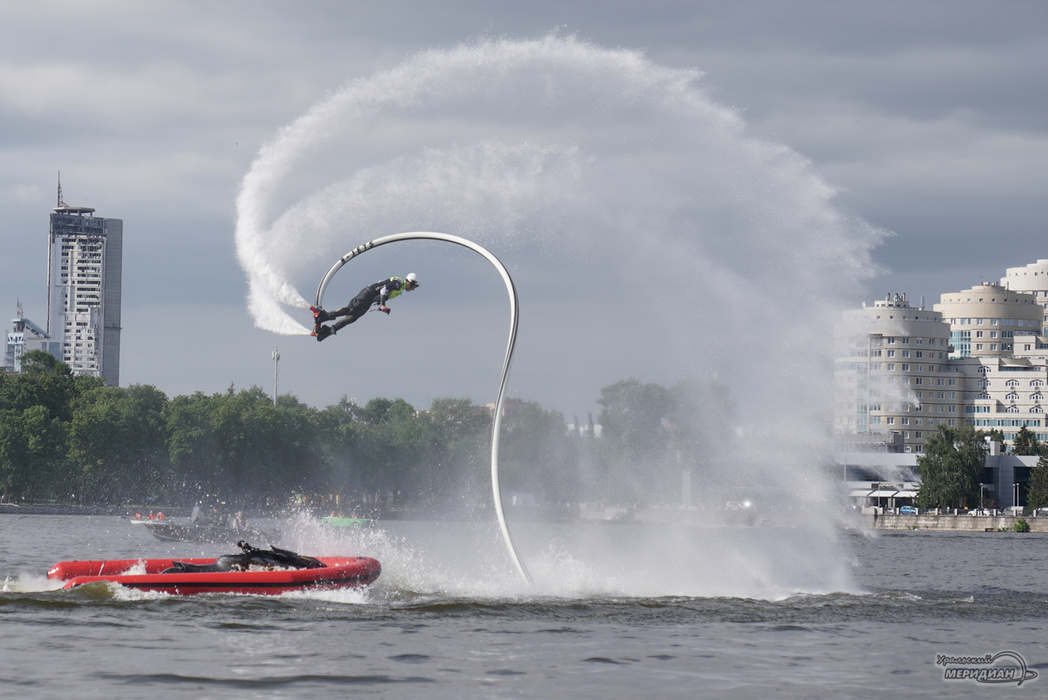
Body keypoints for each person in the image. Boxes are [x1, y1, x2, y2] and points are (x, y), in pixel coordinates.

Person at [311, 273, 420, 341]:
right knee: (352, 309)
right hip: (368, 294)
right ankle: (324, 316)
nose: (414, 289)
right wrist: (382, 305)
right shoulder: (398, 283)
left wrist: (381, 305)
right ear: (412, 282)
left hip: (370, 300)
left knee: (352, 318)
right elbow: (383, 290)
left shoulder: (400, 289)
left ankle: (328, 331)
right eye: (415, 286)